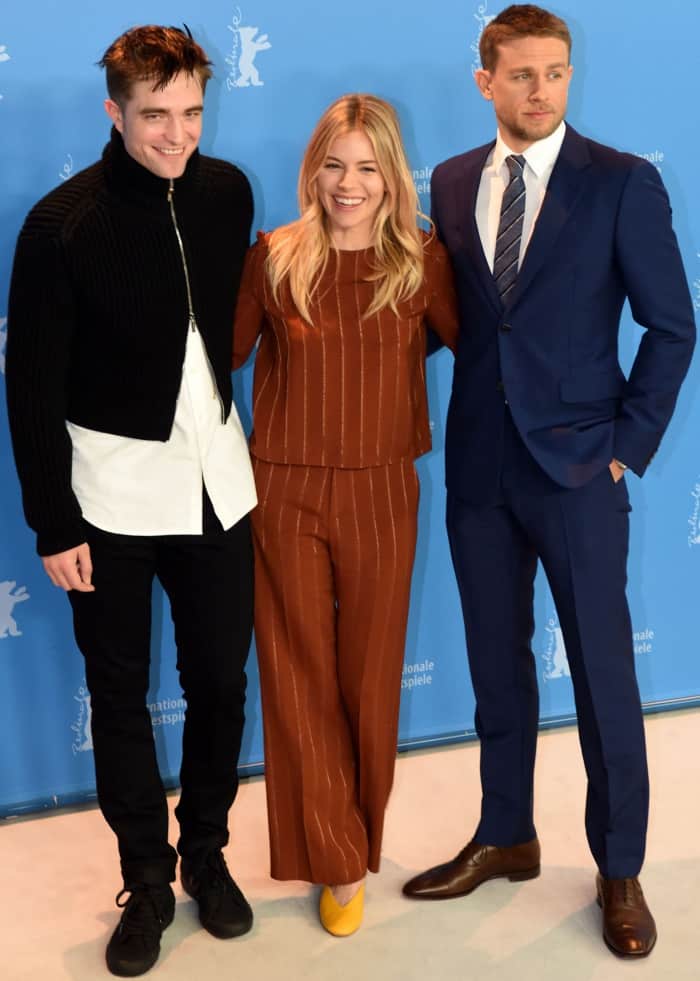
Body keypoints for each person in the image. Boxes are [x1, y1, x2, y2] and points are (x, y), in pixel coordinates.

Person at [401, 3, 695, 959]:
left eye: (556, 73)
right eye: (522, 74)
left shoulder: (621, 182)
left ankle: (618, 867)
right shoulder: (446, 183)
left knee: (605, 677)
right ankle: (505, 833)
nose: (541, 91)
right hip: (479, 464)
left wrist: (626, 443)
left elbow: (672, 324)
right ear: (485, 80)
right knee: (496, 667)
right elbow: (455, 318)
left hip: (577, 467)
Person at [5, 26, 257, 977]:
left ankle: (207, 856)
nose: (177, 134)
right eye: (156, 115)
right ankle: (146, 882)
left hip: (219, 485)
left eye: (191, 112)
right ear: (114, 112)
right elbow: (30, 383)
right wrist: (52, 520)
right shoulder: (60, 224)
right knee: (118, 692)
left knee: (222, 686)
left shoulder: (229, 192)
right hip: (106, 498)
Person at [233, 93, 458, 937]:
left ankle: (356, 838)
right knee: (297, 680)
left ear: (392, 174)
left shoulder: (423, 258)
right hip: (282, 489)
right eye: (335, 163)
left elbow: (472, 344)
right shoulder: (273, 257)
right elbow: (217, 358)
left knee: (368, 679)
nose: (349, 183)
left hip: (380, 490)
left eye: (367, 166)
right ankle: (335, 858)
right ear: (313, 169)